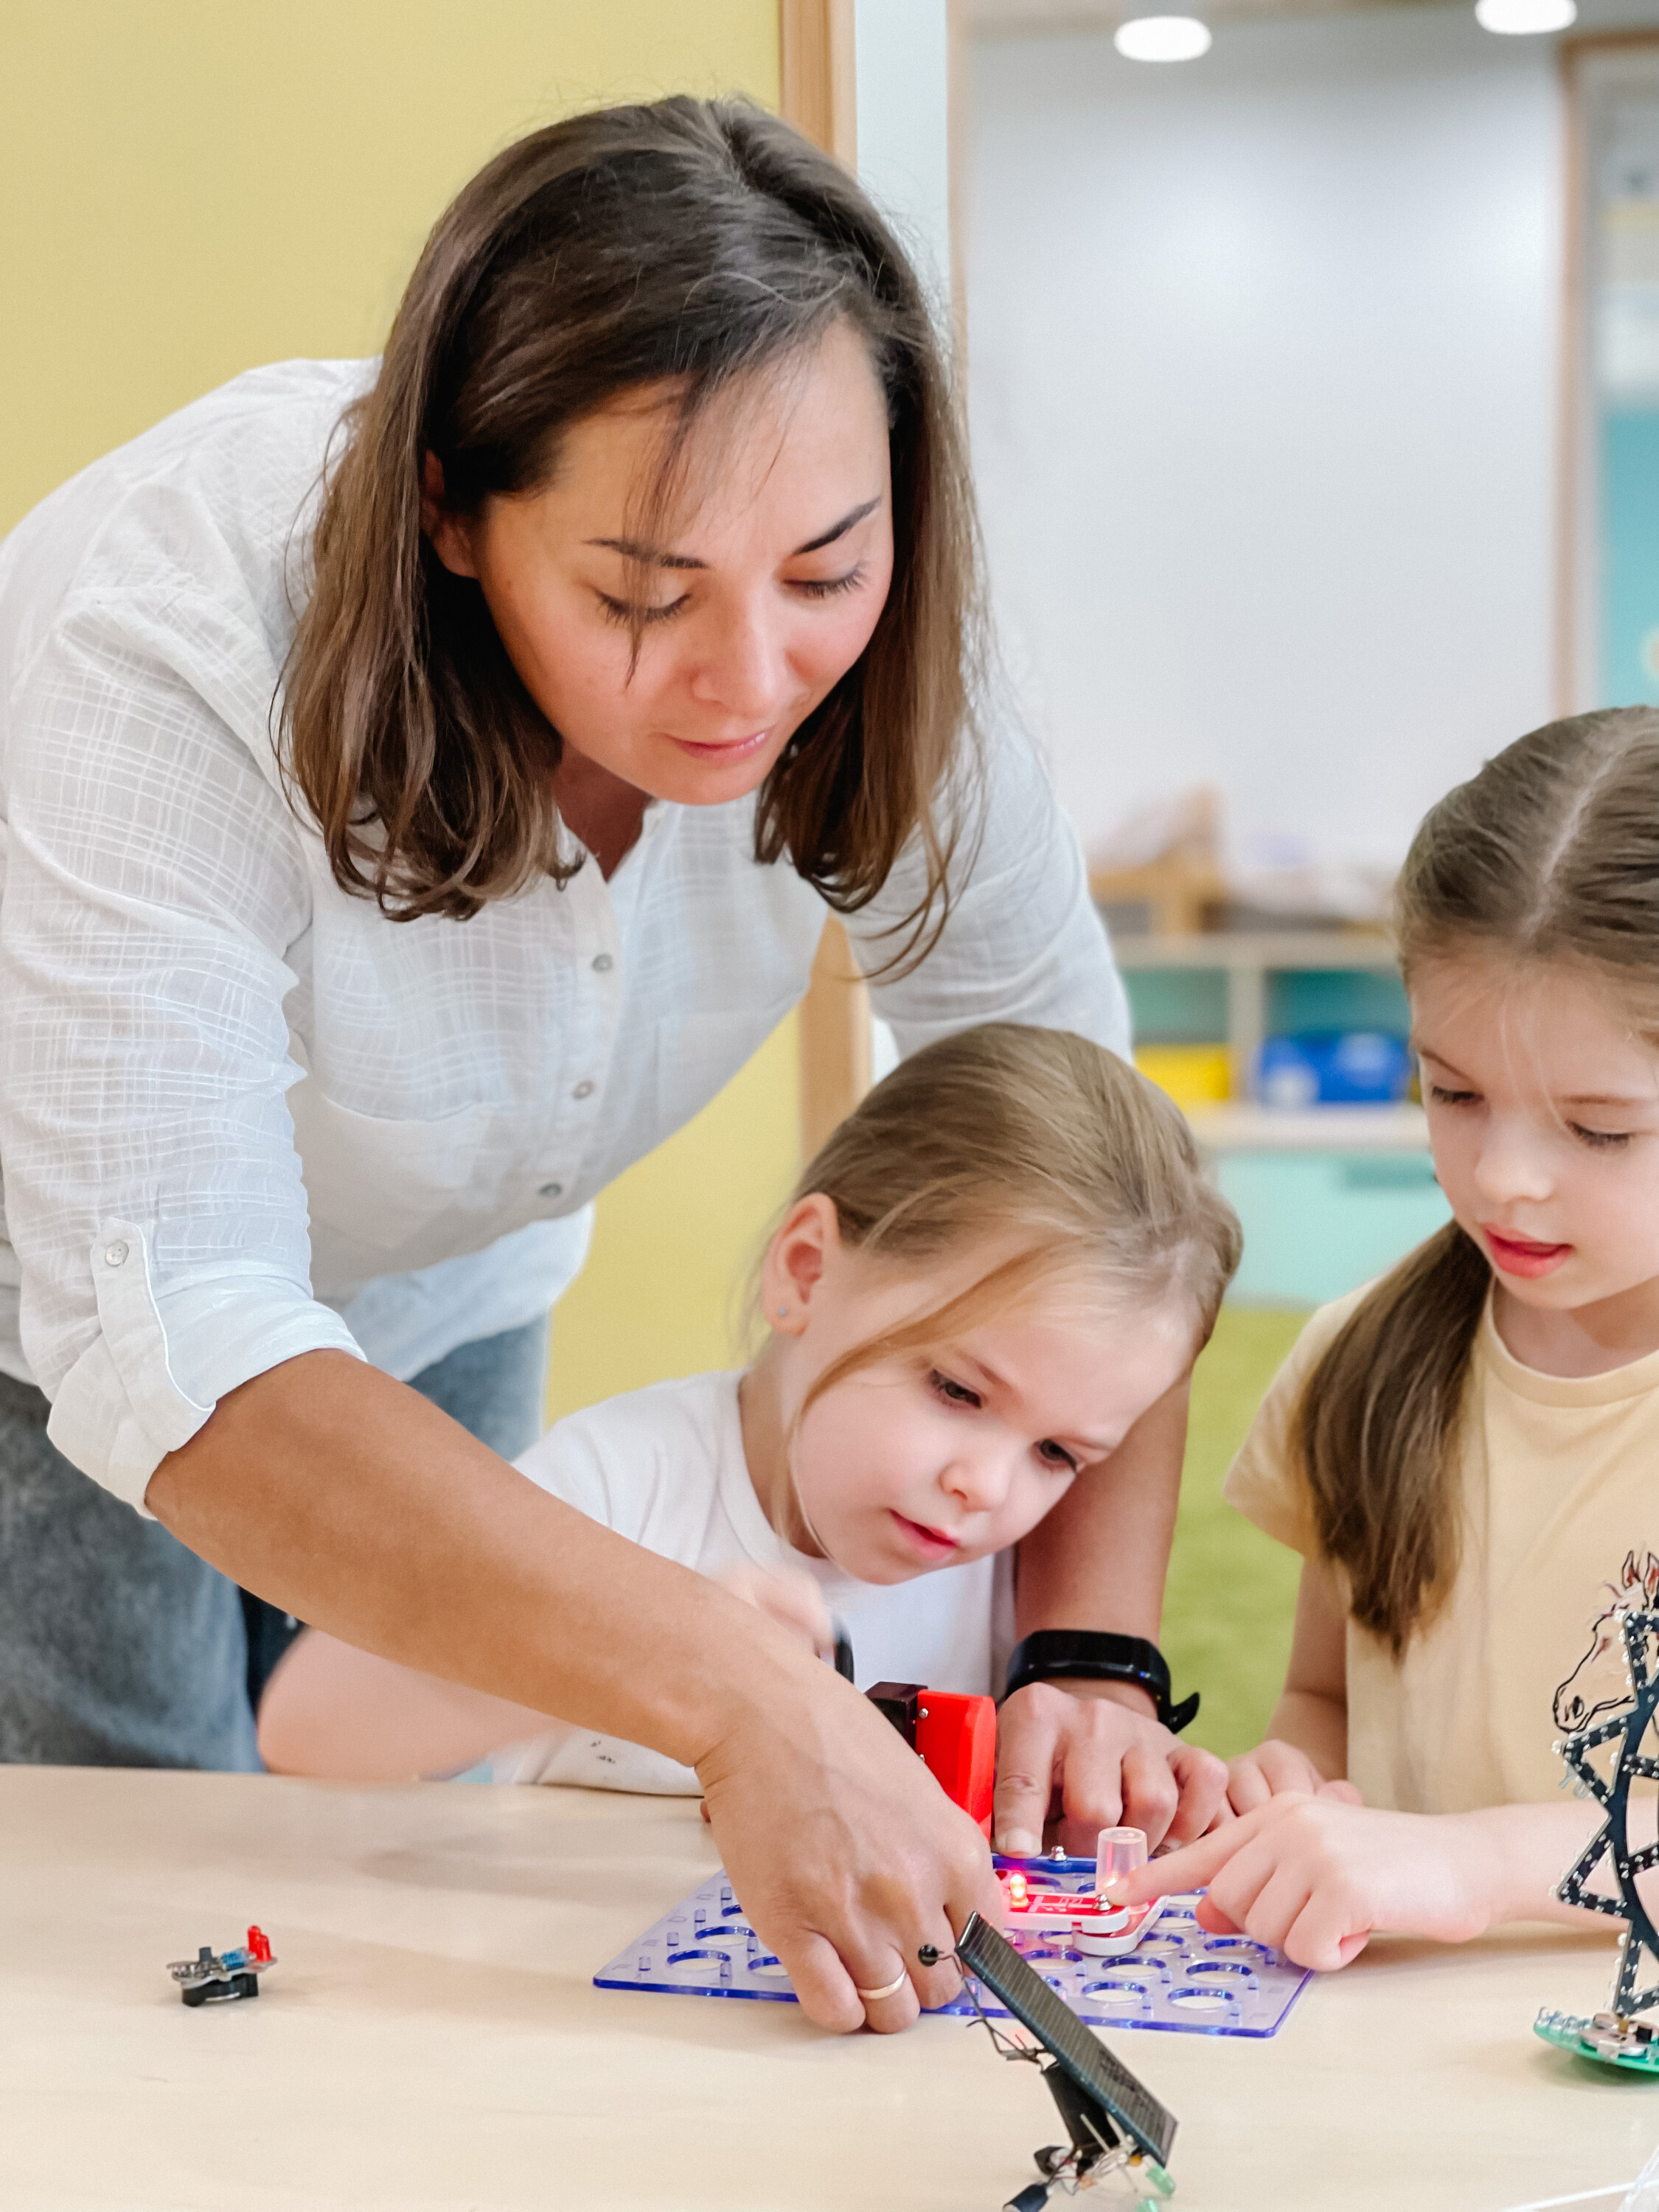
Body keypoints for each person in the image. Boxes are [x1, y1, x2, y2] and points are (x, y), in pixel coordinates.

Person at [0, 97, 1197, 2032]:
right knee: (142, 1908)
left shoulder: (886, 653)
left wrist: (1093, 1650)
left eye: (823, 573)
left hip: (451, 1271)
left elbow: (1098, 1169)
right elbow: (176, 1334)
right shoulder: (169, 628)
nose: (745, 684)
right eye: (642, 595)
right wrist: (734, 1695)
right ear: (449, 512)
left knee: (422, 1879)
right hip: (54, 1318)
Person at [257, 1025, 1241, 1810]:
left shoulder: (1022, 1581)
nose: (986, 1487)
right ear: (805, 1270)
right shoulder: (619, 1481)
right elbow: (307, 1728)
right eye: (955, 1390)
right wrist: (649, 1645)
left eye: (1058, 1452)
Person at [1126, 708, 1659, 1970]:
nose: (1504, 1179)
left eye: (1598, 1128)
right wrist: (1294, 1796)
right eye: (1454, 1092)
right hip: (1402, 2078)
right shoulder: (1364, 1359)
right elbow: (1323, 1700)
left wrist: (1475, 1862)